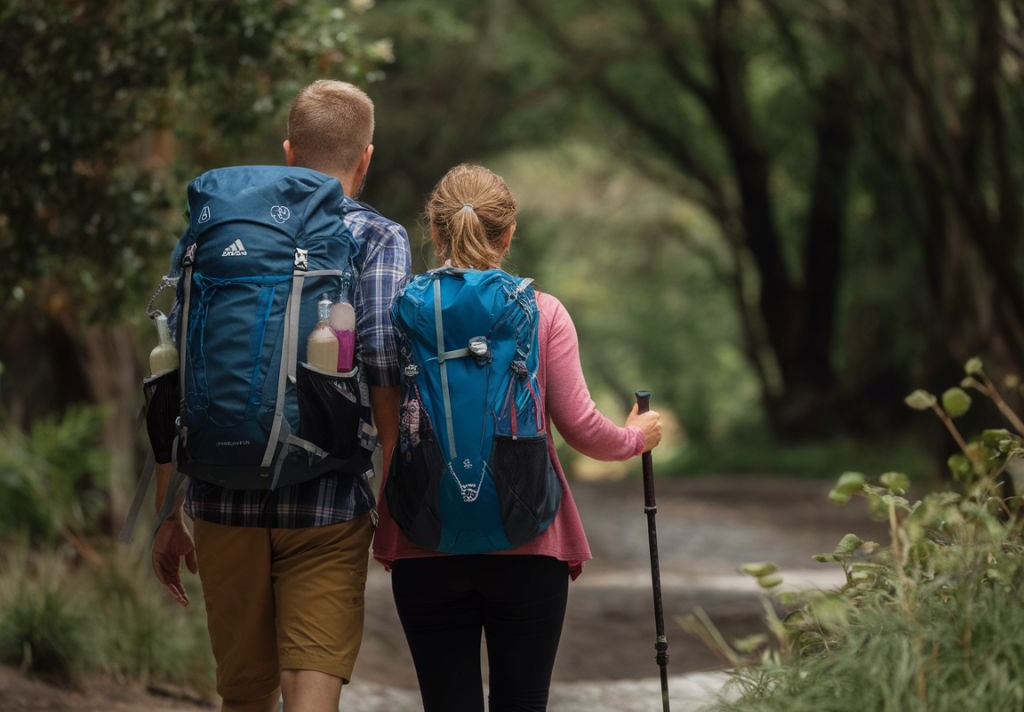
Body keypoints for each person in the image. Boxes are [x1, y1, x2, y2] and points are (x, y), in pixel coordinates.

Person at [150, 80, 411, 712]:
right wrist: (394, 492)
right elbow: (380, 360)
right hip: (328, 499)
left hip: (220, 496)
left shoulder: (219, 229)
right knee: (311, 691)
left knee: (244, 697)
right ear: (366, 157)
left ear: (289, 152)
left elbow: (176, 369)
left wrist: (167, 513)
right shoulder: (377, 237)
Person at [372, 163, 663, 712]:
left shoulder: (398, 312)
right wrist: (635, 437)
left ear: (435, 234)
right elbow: (581, 429)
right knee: (523, 702)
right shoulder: (542, 312)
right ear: (508, 236)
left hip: (423, 535)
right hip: (529, 539)